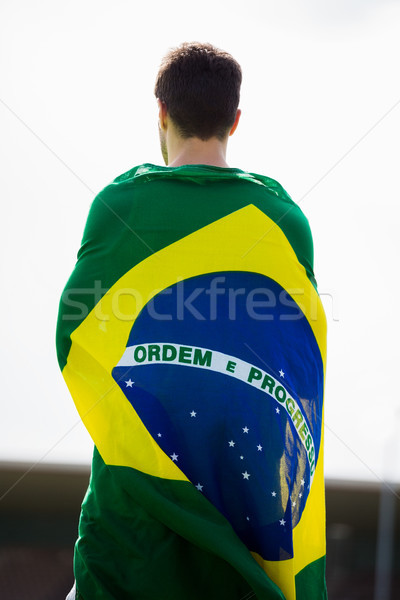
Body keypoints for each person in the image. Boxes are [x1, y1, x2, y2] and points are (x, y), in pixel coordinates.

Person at [57, 42, 327, 600]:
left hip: (134, 513)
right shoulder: (283, 222)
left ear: (161, 112)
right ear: (234, 120)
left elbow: (77, 329)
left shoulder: (120, 207)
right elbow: (298, 363)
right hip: (245, 516)